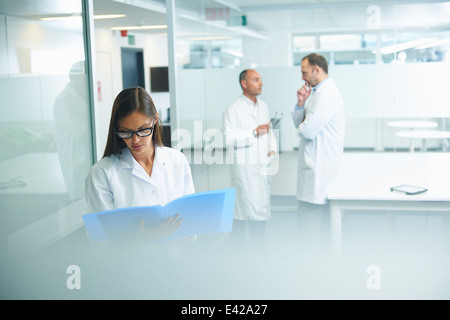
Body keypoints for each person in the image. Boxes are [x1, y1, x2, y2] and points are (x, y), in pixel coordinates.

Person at [85, 87, 195, 241]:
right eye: (125, 132)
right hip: (128, 263)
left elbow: (191, 220)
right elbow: (99, 237)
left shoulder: (177, 160)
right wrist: (138, 239)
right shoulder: (102, 173)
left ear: (155, 119)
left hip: (179, 257)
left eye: (143, 130)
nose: (135, 140)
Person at [291, 54, 345, 253]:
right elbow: (302, 123)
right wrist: (300, 104)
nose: (303, 78)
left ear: (317, 69)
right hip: (314, 167)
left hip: (319, 171)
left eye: (305, 72)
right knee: (311, 227)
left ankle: (310, 268)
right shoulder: (317, 93)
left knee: (310, 230)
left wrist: (303, 126)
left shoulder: (326, 95)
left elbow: (307, 131)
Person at [223, 69, 278, 248]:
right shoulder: (233, 109)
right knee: (242, 210)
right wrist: (253, 132)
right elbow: (228, 138)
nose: (261, 83)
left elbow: (268, 131)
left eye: (261, 80)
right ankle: (238, 253)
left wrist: (272, 148)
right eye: (256, 80)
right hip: (245, 169)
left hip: (262, 165)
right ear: (244, 83)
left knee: (259, 208)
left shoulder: (263, 106)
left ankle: (258, 250)